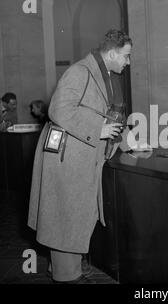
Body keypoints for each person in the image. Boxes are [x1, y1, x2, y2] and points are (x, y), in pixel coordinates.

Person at [27, 29, 132, 284]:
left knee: (76, 214)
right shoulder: (79, 72)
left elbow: (111, 117)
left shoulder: (103, 75)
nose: (128, 62)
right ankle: (67, 276)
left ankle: (66, 267)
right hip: (67, 157)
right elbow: (59, 109)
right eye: (126, 56)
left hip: (79, 155)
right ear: (111, 53)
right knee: (66, 215)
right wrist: (98, 129)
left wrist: (131, 142)